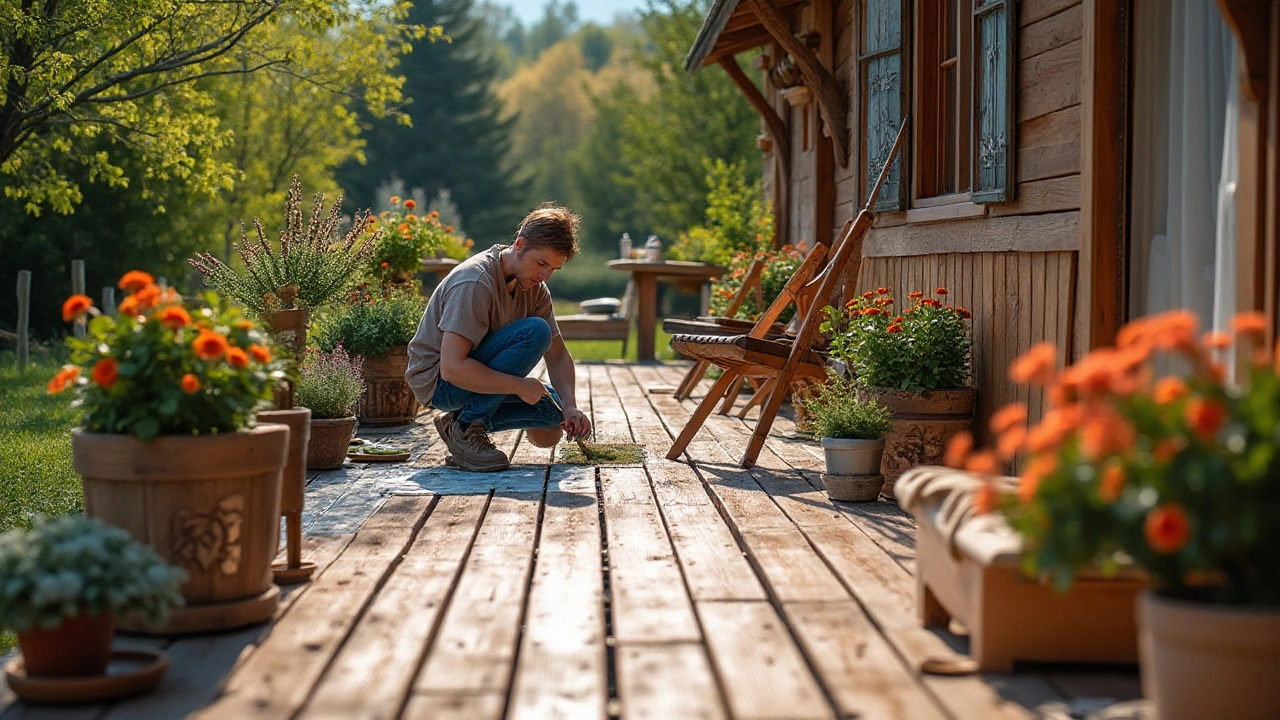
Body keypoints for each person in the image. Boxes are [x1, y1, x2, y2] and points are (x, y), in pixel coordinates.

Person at [405, 203, 592, 472]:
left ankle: (456, 423)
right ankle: (468, 428)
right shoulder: (475, 282)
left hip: (471, 376)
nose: (544, 276)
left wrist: (571, 407)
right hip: (442, 383)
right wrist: (518, 386)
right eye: (541, 263)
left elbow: (558, 354)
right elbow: (452, 368)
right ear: (519, 244)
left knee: (553, 414)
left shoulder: (535, 288)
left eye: (553, 269)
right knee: (537, 331)